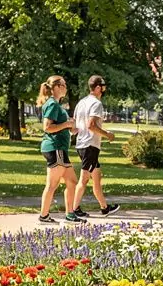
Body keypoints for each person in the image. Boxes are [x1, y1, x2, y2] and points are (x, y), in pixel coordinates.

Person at [37, 75, 85, 225]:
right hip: (54, 148)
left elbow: (61, 126)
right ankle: (44, 216)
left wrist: (71, 128)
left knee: (71, 181)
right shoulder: (52, 104)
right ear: (56, 87)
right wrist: (67, 125)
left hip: (60, 149)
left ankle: (70, 215)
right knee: (52, 184)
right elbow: (47, 127)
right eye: (63, 85)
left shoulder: (57, 105)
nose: (66, 87)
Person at [72, 74, 120, 218]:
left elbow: (74, 125)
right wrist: (107, 134)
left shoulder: (81, 102)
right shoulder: (96, 104)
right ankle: (74, 210)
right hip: (90, 146)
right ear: (98, 87)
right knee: (84, 179)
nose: (104, 90)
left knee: (97, 177)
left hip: (82, 144)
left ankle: (104, 208)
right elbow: (91, 125)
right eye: (103, 87)